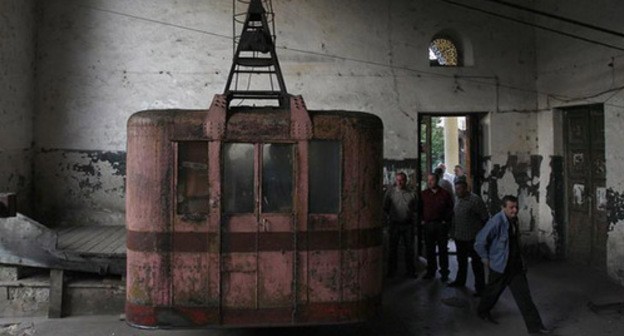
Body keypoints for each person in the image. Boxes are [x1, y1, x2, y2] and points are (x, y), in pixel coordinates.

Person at [474, 195, 552, 334]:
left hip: (515, 267)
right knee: (492, 293)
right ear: (503, 208)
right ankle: (483, 311)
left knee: (524, 297)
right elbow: (479, 242)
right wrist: (485, 259)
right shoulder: (496, 222)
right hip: (499, 266)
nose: (515, 210)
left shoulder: (514, 220)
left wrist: (522, 261)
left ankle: (535, 327)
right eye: (511, 207)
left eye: (516, 207)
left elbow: (515, 243)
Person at [448, 180, 488, 296]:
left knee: (476, 264)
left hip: (472, 237)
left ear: (466, 189)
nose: (458, 191)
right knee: (461, 261)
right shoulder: (457, 199)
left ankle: (480, 288)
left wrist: (482, 236)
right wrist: (453, 232)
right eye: (456, 189)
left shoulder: (475, 200)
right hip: (460, 236)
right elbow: (455, 217)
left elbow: (484, 217)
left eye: (460, 189)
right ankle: (460, 281)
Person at [383, 172, 418, 278]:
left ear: (405, 180)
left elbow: (415, 209)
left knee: (409, 249)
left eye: (402, 180)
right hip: (394, 224)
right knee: (393, 249)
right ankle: (392, 271)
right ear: (395, 180)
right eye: (398, 180)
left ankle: (410, 271)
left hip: (408, 225)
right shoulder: (390, 193)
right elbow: (385, 207)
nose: (399, 182)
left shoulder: (412, 193)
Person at [420, 172, 454, 281]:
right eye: (428, 180)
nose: (430, 182)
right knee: (430, 250)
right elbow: (419, 208)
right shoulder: (423, 194)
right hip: (428, 225)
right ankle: (431, 271)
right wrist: (422, 221)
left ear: (437, 180)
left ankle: (444, 272)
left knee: (443, 250)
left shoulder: (445, 194)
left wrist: (446, 221)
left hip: (441, 225)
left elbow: (450, 208)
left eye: (432, 180)